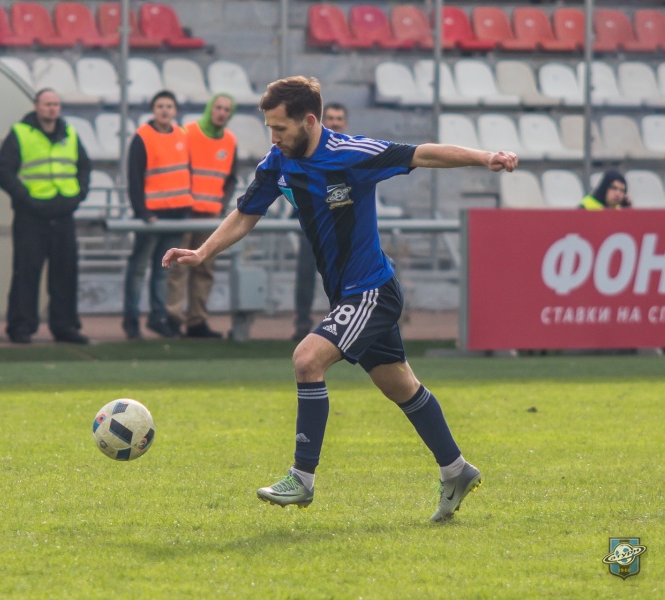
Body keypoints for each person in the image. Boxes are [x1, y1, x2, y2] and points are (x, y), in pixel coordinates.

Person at [163, 76, 518, 521]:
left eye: (280, 128)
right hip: (348, 295)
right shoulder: (279, 161)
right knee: (400, 386)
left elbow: (423, 153)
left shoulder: (352, 154)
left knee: (307, 359)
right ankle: (456, 469)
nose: (273, 137)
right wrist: (202, 252)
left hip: (372, 291)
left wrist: (485, 157)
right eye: (270, 128)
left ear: (309, 121)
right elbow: (246, 213)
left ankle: (302, 478)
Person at [0, 88, 92, 345]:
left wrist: (78, 195)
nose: (52, 108)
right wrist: (25, 198)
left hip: (63, 214)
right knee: (26, 273)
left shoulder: (70, 133)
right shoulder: (20, 133)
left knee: (65, 273)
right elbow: (3, 171)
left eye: (56, 104)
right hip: (31, 216)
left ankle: (65, 326)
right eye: (47, 104)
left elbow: (84, 166)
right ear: (36, 106)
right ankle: (21, 327)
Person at [165, 93, 238, 338]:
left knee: (204, 268)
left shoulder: (230, 140)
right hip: (186, 212)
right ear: (210, 108)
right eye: (218, 107)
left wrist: (222, 203)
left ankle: (197, 321)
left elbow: (231, 178)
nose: (221, 113)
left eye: (226, 109)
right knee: (178, 267)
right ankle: (173, 318)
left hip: (210, 215)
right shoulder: (188, 132)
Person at [122, 90, 192, 340]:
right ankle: (131, 319)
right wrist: (141, 211)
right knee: (139, 268)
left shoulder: (182, 135)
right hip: (152, 216)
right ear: (153, 109)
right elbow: (134, 177)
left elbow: (186, 172)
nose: (164, 110)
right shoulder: (142, 136)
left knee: (163, 270)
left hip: (177, 214)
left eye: (169, 106)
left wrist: (186, 208)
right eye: (160, 106)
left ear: (175, 111)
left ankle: (158, 317)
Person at [292, 102, 348, 341]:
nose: (335, 122)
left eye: (339, 118)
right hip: (313, 226)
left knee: (343, 277)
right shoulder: (310, 149)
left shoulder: (351, 152)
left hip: (342, 228)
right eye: (331, 118)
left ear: (345, 123)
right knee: (305, 276)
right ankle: (302, 324)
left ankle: (342, 324)